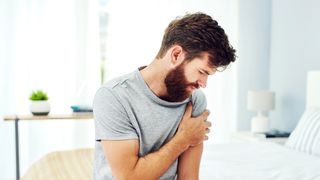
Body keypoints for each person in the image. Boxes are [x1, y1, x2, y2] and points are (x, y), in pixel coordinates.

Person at [93, 12, 236, 180]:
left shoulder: (194, 99)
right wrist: (183, 139)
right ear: (176, 55)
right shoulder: (114, 96)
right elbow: (129, 177)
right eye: (201, 72)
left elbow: (188, 176)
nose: (203, 84)